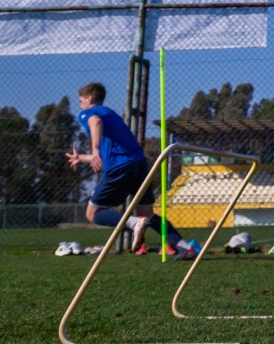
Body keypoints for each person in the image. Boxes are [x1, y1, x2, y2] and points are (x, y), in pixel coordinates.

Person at [65, 82, 193, 258]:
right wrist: (82, 157)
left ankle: (134, 223)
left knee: (92, 213)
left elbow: (95, 123)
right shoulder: (111, 114)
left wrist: (93, 150)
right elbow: (109, 150)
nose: (80, 105)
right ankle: (185, 247)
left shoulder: (88, 113)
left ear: (90, 98)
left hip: (120, 167)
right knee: (148, 215)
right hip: (139, 164)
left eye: (81, 101)